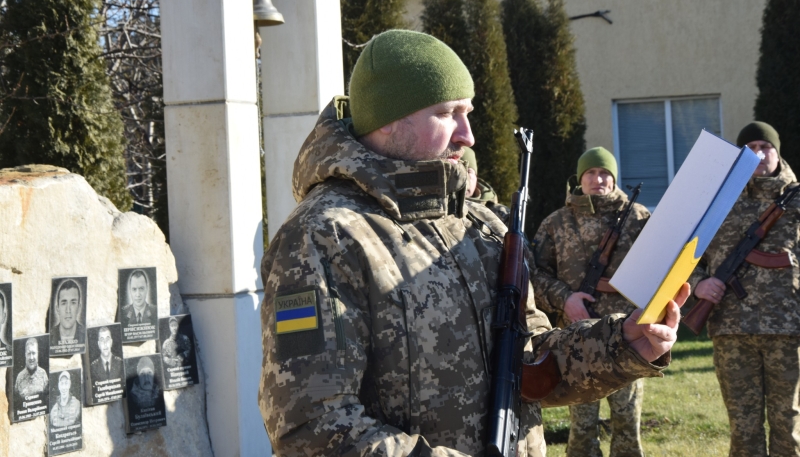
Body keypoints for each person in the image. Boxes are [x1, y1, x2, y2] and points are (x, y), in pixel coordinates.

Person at [258, 29, 688, 457]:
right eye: (448, 114)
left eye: (469, 113)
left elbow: (531, 360)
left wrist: (625, 343)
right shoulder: (323, 236)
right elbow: (312, 429)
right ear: (387, 121)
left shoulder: (478, 224)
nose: (469, 135)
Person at [532, 147, 651, 457]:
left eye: (604, 173)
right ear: (579, 179)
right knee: (582, 428)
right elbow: (534, 275)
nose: (598, 179)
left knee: (627, 423)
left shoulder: (638, 218)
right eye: (590, 173)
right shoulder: (556, 222)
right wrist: (565, 299)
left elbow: (659, 268)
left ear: (613, 178)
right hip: (576, 338)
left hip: (628, 335)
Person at [691, 122, 800, 457]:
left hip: (787, 330)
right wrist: (699, 285)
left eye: (765, 147)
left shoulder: (796, 200)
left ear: (777, 152)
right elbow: (685, 257)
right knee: (743, 426)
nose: (758, 154)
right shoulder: (717, 203)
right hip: (731, 331)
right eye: (750, 148)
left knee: (789, 426)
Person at [50, 279, 85, 346]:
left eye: (73, 303)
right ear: (57, 308)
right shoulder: (49, 336)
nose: (68, 310)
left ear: (79, 308)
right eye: (64, 303)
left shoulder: (85, 335)